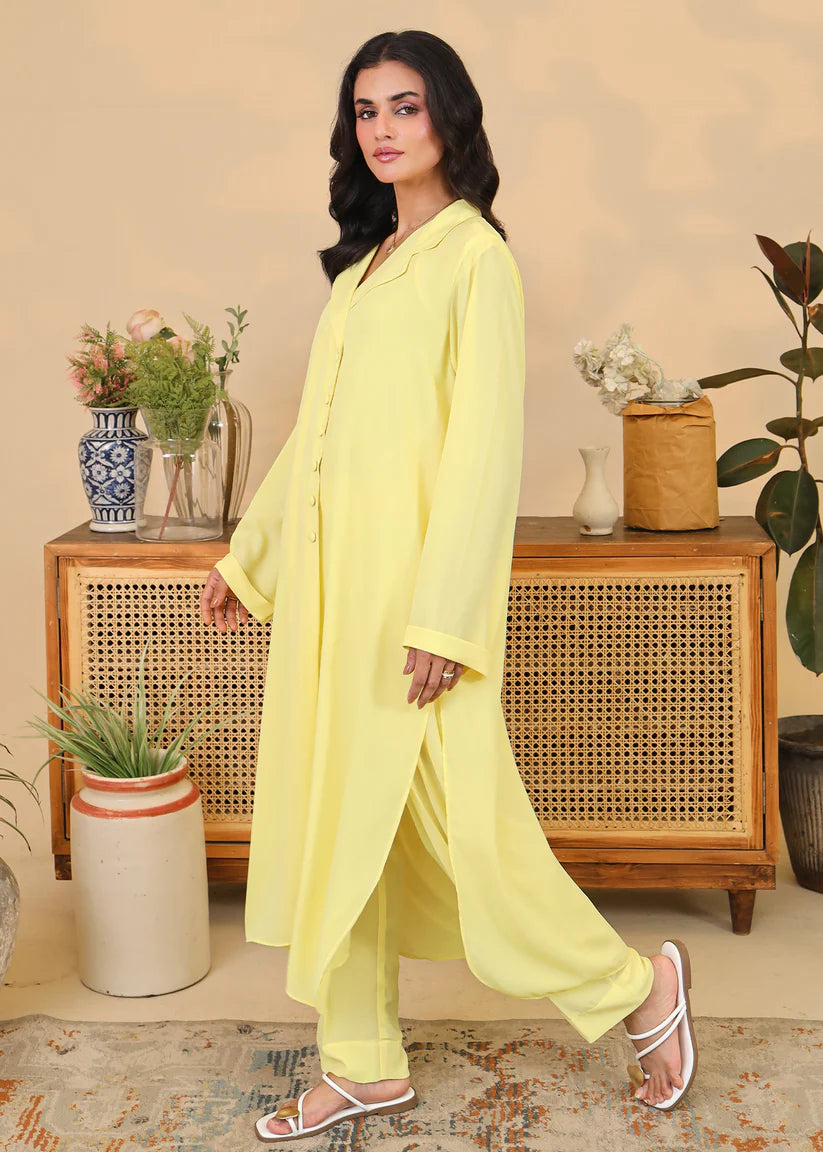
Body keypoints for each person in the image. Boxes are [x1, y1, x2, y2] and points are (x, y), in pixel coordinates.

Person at [199, 29, 697, 1143]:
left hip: (414, 608)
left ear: (448, 118)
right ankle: (361, 1061)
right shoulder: (362, 273)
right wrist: (251, 559)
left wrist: (446, 619)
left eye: (404, 106)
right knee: (345, 829)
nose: (382, 129)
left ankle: (636, 988)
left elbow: (481, 453)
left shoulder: (476, 261)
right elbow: (315, 439)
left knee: (476, 832)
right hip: (333, 605)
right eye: (365, 110)